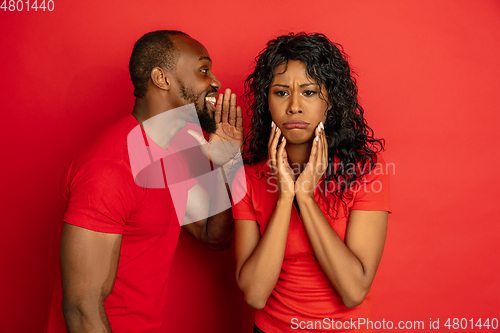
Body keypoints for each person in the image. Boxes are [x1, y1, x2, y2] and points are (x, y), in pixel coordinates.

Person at [44, 30, 243, 333]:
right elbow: (83, 309)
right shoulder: (108, 170)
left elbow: (213, 235)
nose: (215, 81)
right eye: (203, 70)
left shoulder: (176, 149)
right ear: (162, 79)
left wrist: (228, 164)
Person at [231, 33, 391, 332]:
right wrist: (284, 198)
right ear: (267, 102)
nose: (294, 106)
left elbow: (354, 291)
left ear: (330, 100)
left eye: (308, 92)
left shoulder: (365, 173)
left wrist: (305, 198)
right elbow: (254, 294)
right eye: (280, 92)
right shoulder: (248, 176)